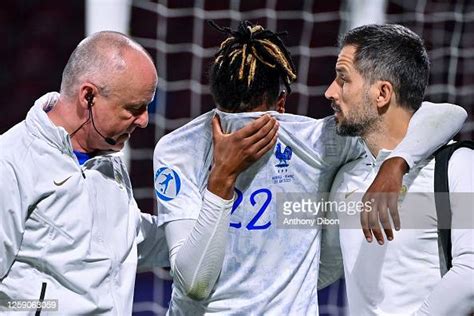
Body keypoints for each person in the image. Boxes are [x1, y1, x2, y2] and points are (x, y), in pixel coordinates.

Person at [153, 21, 467, 314]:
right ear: (281, 102)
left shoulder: (179, 149)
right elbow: (444, 114)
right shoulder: (317, 142)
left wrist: (395, 163)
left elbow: (428, 117)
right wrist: (222, 179)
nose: (330, 92)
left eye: (342, 79)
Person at [0, 31, 278, 314]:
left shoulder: (107, 160)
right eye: (134, 108)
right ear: (88, 96)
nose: (144, 121)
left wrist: (220, 224)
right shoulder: (11, 163)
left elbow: (129, 239)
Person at [327, 24, 473, 315]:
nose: (330, 92)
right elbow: (325, 266)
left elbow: (471, 275)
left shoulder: (458, 165)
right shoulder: (346, 179)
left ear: (382, 93)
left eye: (343, 80)